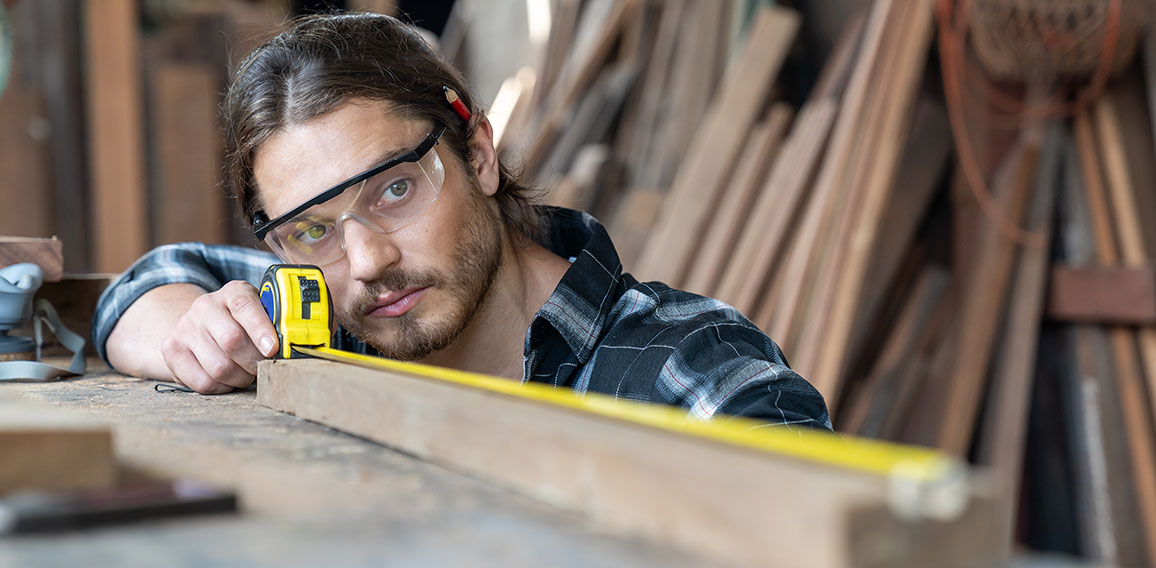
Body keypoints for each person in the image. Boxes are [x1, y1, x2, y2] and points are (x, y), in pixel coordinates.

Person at [94, 12, 831, 429]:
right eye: (313, 230)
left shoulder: (686, 368)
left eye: (392, 190)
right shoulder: (331, 313)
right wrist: (196, 336)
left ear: (478, 153)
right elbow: (148, 281)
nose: (369, 261)